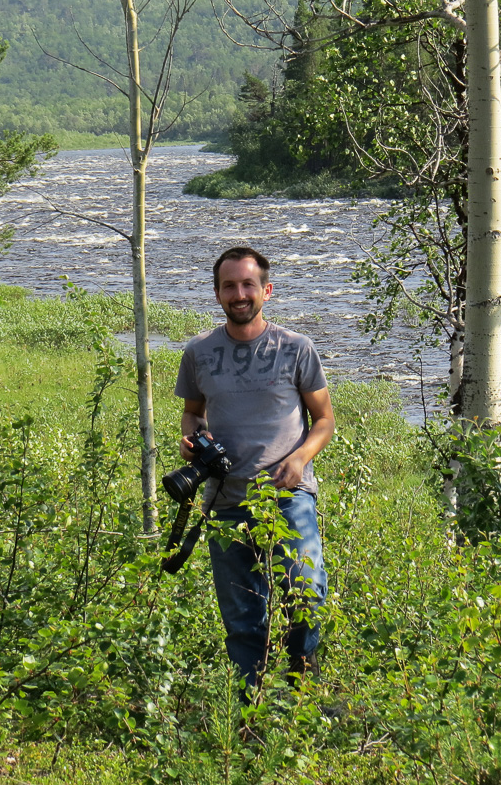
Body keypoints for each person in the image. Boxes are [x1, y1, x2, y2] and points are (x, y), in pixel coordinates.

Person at [174, 245, 336, 693]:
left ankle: (303, 693)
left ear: (266, 290)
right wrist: (193, 439)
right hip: (225, 501)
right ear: (217, 293)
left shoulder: (296, 349)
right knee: (243, 615)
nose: (239, 294)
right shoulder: (199, 353)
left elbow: (324, 420)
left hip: (288, 495)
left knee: (305, 592)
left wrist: (299, 458)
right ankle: (250, 707)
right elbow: (193, 413)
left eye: (248, 285)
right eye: (229, 286)